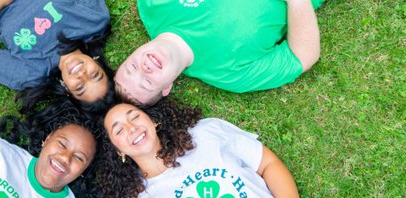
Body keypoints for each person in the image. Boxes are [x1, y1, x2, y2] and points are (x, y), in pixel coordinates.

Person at [115, 0, 325, 105]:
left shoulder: (154, 6)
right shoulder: (230, 75)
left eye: (132, 67)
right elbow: (303, 56)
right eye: (147, 82)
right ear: (167, 88)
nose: (145, 68)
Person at [97, 99, 299, 198]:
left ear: (153, 121)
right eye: (119, 130)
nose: (132, 128)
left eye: (134, 117)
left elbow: (267, 164)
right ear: (118, 151)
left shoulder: (204, 134)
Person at [0, 0, 112, 103]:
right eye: (95, 75)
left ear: (67, 90)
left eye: (80, 87)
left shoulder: (31, 73)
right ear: (99, 63)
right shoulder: (94, 20)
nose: (82, 75)